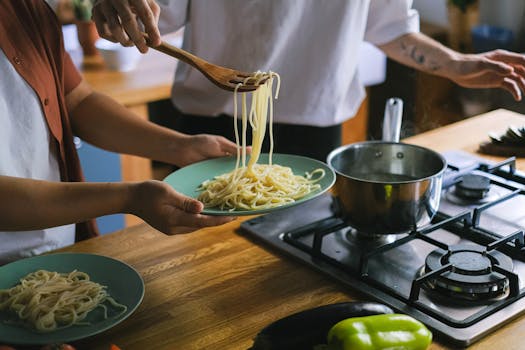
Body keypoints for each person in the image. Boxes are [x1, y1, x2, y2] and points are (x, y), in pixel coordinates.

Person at [92, 0, 525, 162]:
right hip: (210, 122)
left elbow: (390, 26)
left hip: (315, 127)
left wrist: (455, 64)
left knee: (291, 273)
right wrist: (119, 11)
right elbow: (153, 13)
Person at [0, 0, 239, 264]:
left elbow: (76, 101)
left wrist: (181, 147)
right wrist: (130, 198)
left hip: (58, 251)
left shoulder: (23, 7)